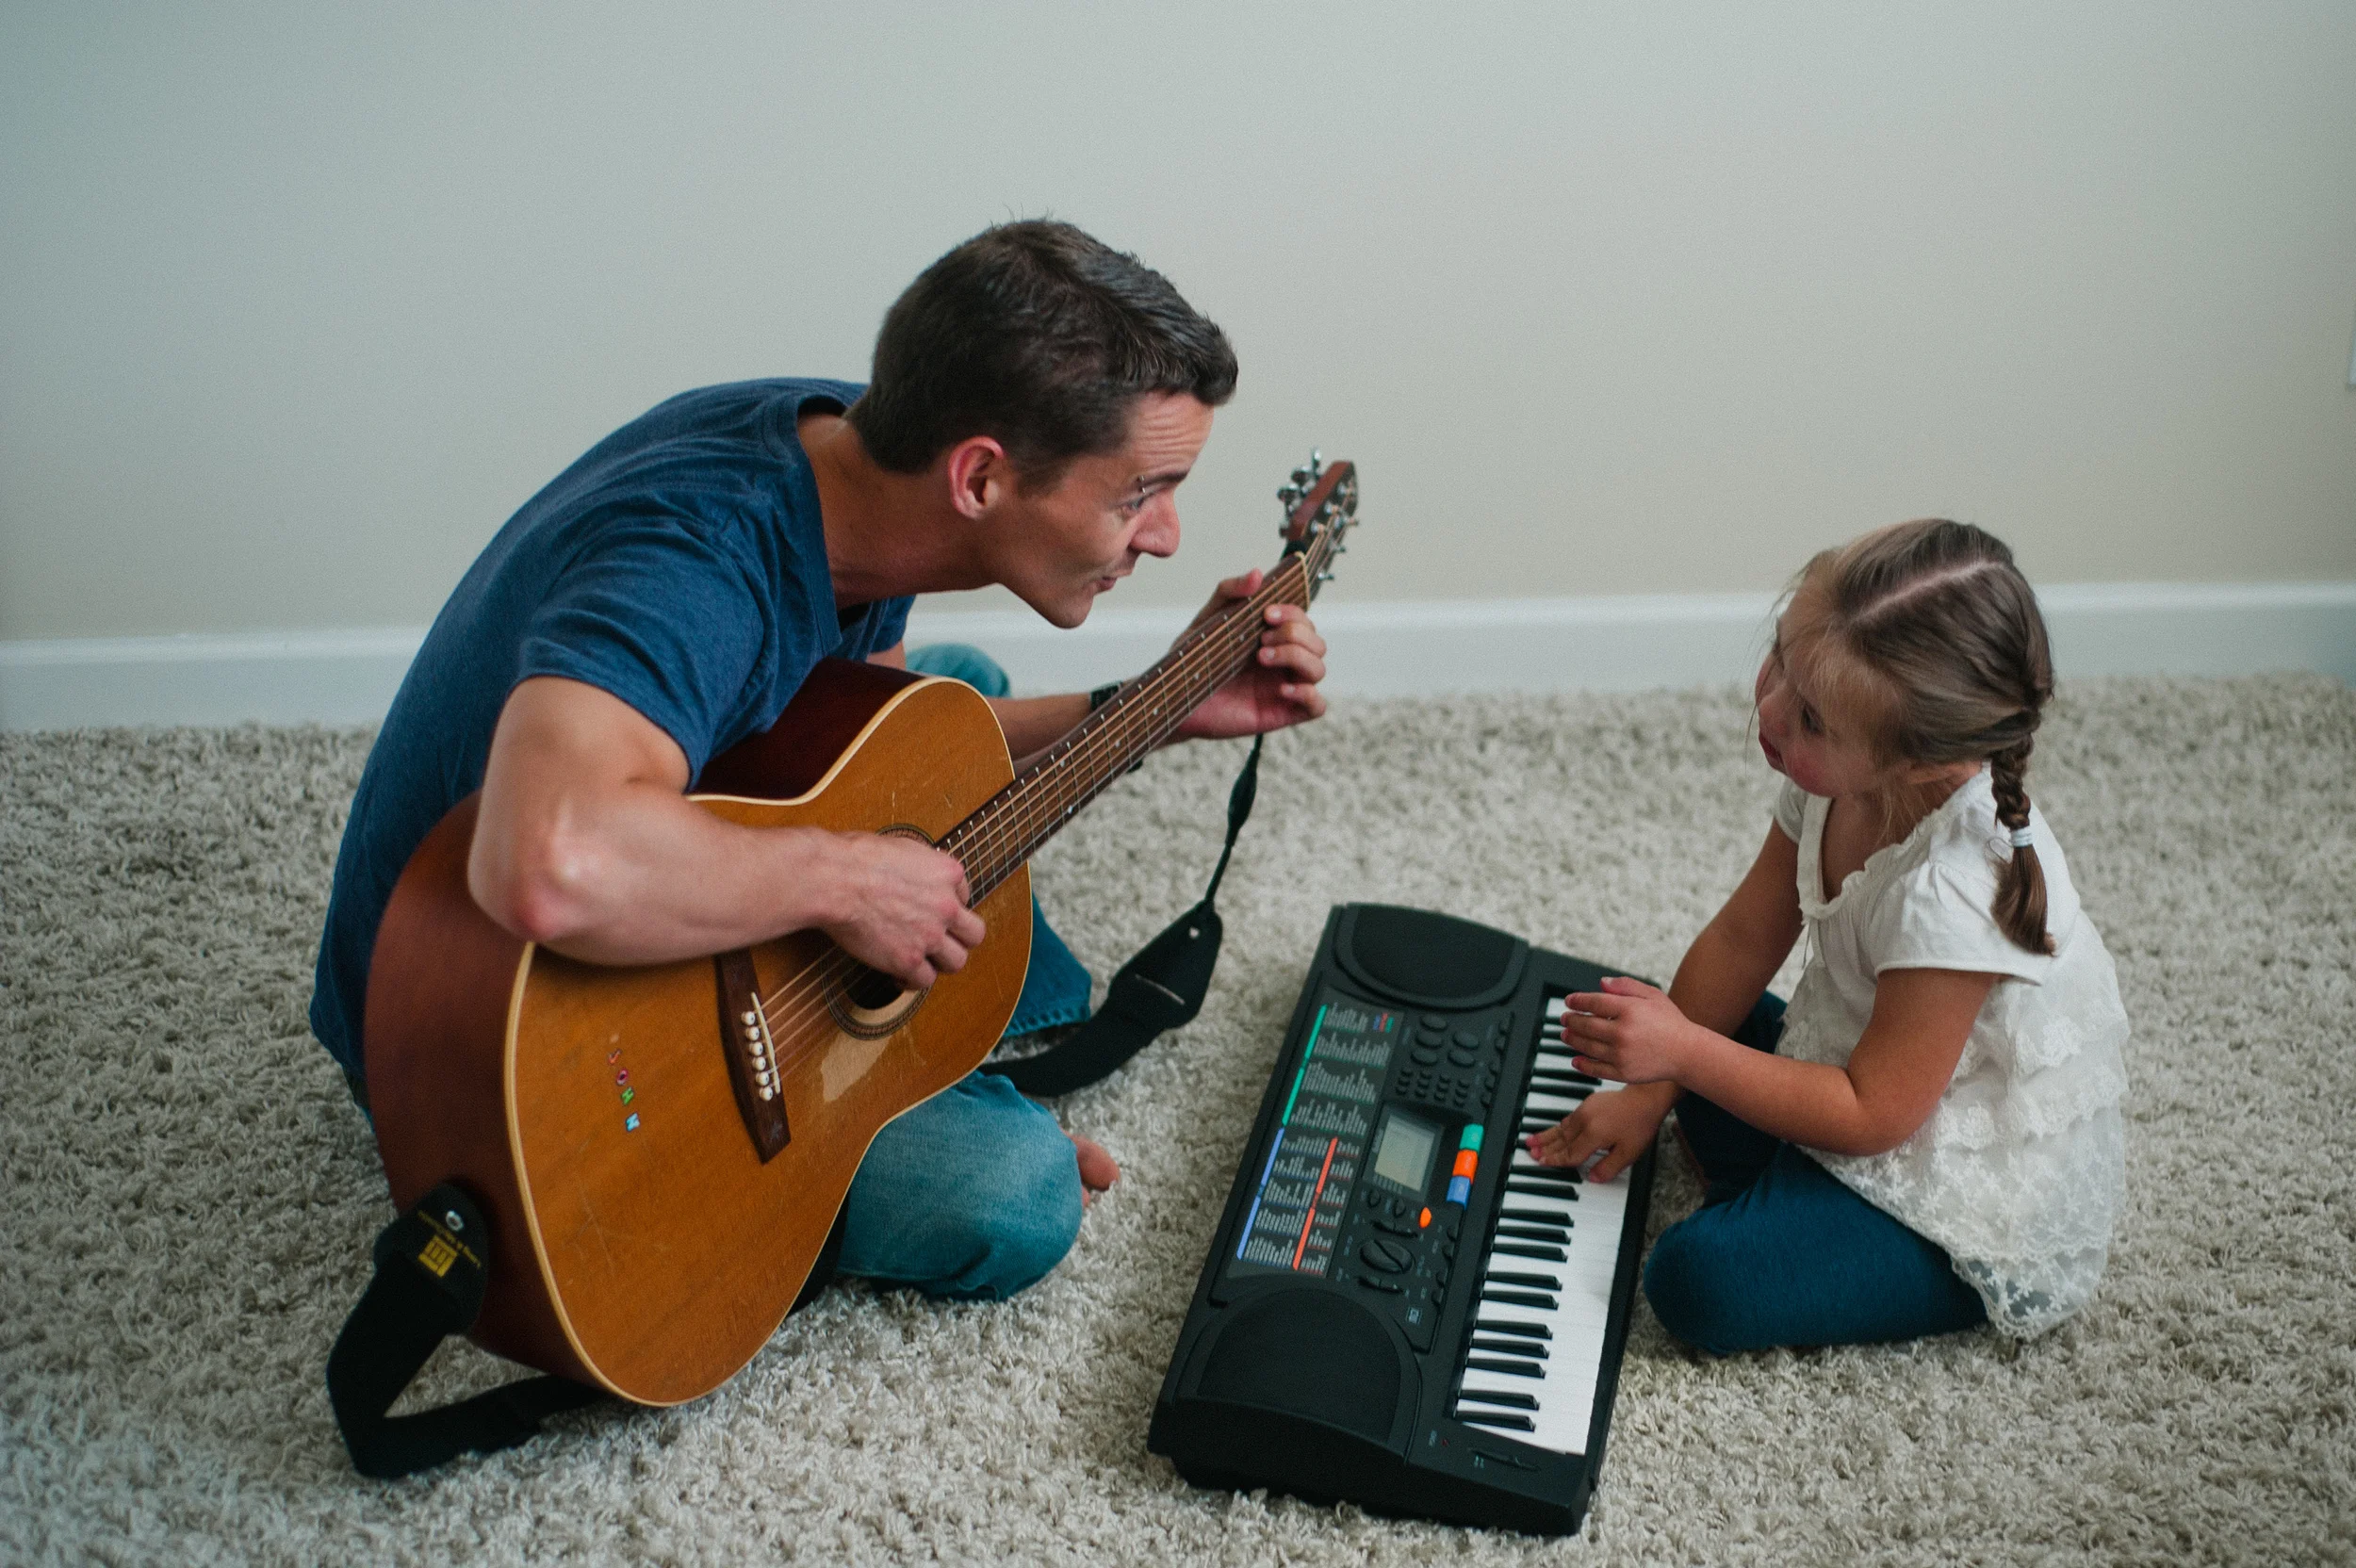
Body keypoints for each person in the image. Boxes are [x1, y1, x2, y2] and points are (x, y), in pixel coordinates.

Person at [311, 220, 1330, 1304]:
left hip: (646, 856)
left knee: (946, 702)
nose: (1166, 534)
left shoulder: (866, 457)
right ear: (980, 475)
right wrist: (848, 881)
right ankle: (772, 1167)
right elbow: (546, 861)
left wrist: (1157, 704)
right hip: (497, 1046)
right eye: (1139, 493)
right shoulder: (694, 564)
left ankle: (936, 1045)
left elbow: (866, 743)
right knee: (1018, 1194)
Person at [1529, 519, 2128, 1349]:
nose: (1770, 713)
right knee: (1682, 1017)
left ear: (1913, 764)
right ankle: (1782, 1189)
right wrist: (1653, 1087)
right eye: (1779, 659)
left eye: (1809, 719)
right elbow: (1744, 939)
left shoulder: (1957, 889)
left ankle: (1830, 1230)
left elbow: (1876, 1114)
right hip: (1858, 1066)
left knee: (1697, 1280)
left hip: (1944, 1176)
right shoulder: (1835, 782)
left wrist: (1685, 1058)